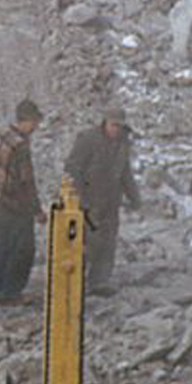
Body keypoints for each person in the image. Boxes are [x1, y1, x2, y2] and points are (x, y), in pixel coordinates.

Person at [64, 107, 141, 292]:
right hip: (90, 202)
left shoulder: (123, 144)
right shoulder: (88, 139)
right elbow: (72, 168)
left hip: (111, 201)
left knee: (108, 242)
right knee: (88, 243)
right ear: (105, 122)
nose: (117, 129)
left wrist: (134, 198)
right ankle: (75, 283)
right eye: (114, 125)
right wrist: (80, 197)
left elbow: (125, 173)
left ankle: (99, 282)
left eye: (120, 126)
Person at [0, 98, 46, 302]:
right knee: (24, 249)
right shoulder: (20, 146)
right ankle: (11, 292)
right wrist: (37, 210)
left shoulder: (0, 135)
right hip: (16, 205)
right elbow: (27, 182)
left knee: (1, 246)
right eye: (35, 122)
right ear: (27, 120)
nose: (36, 126)